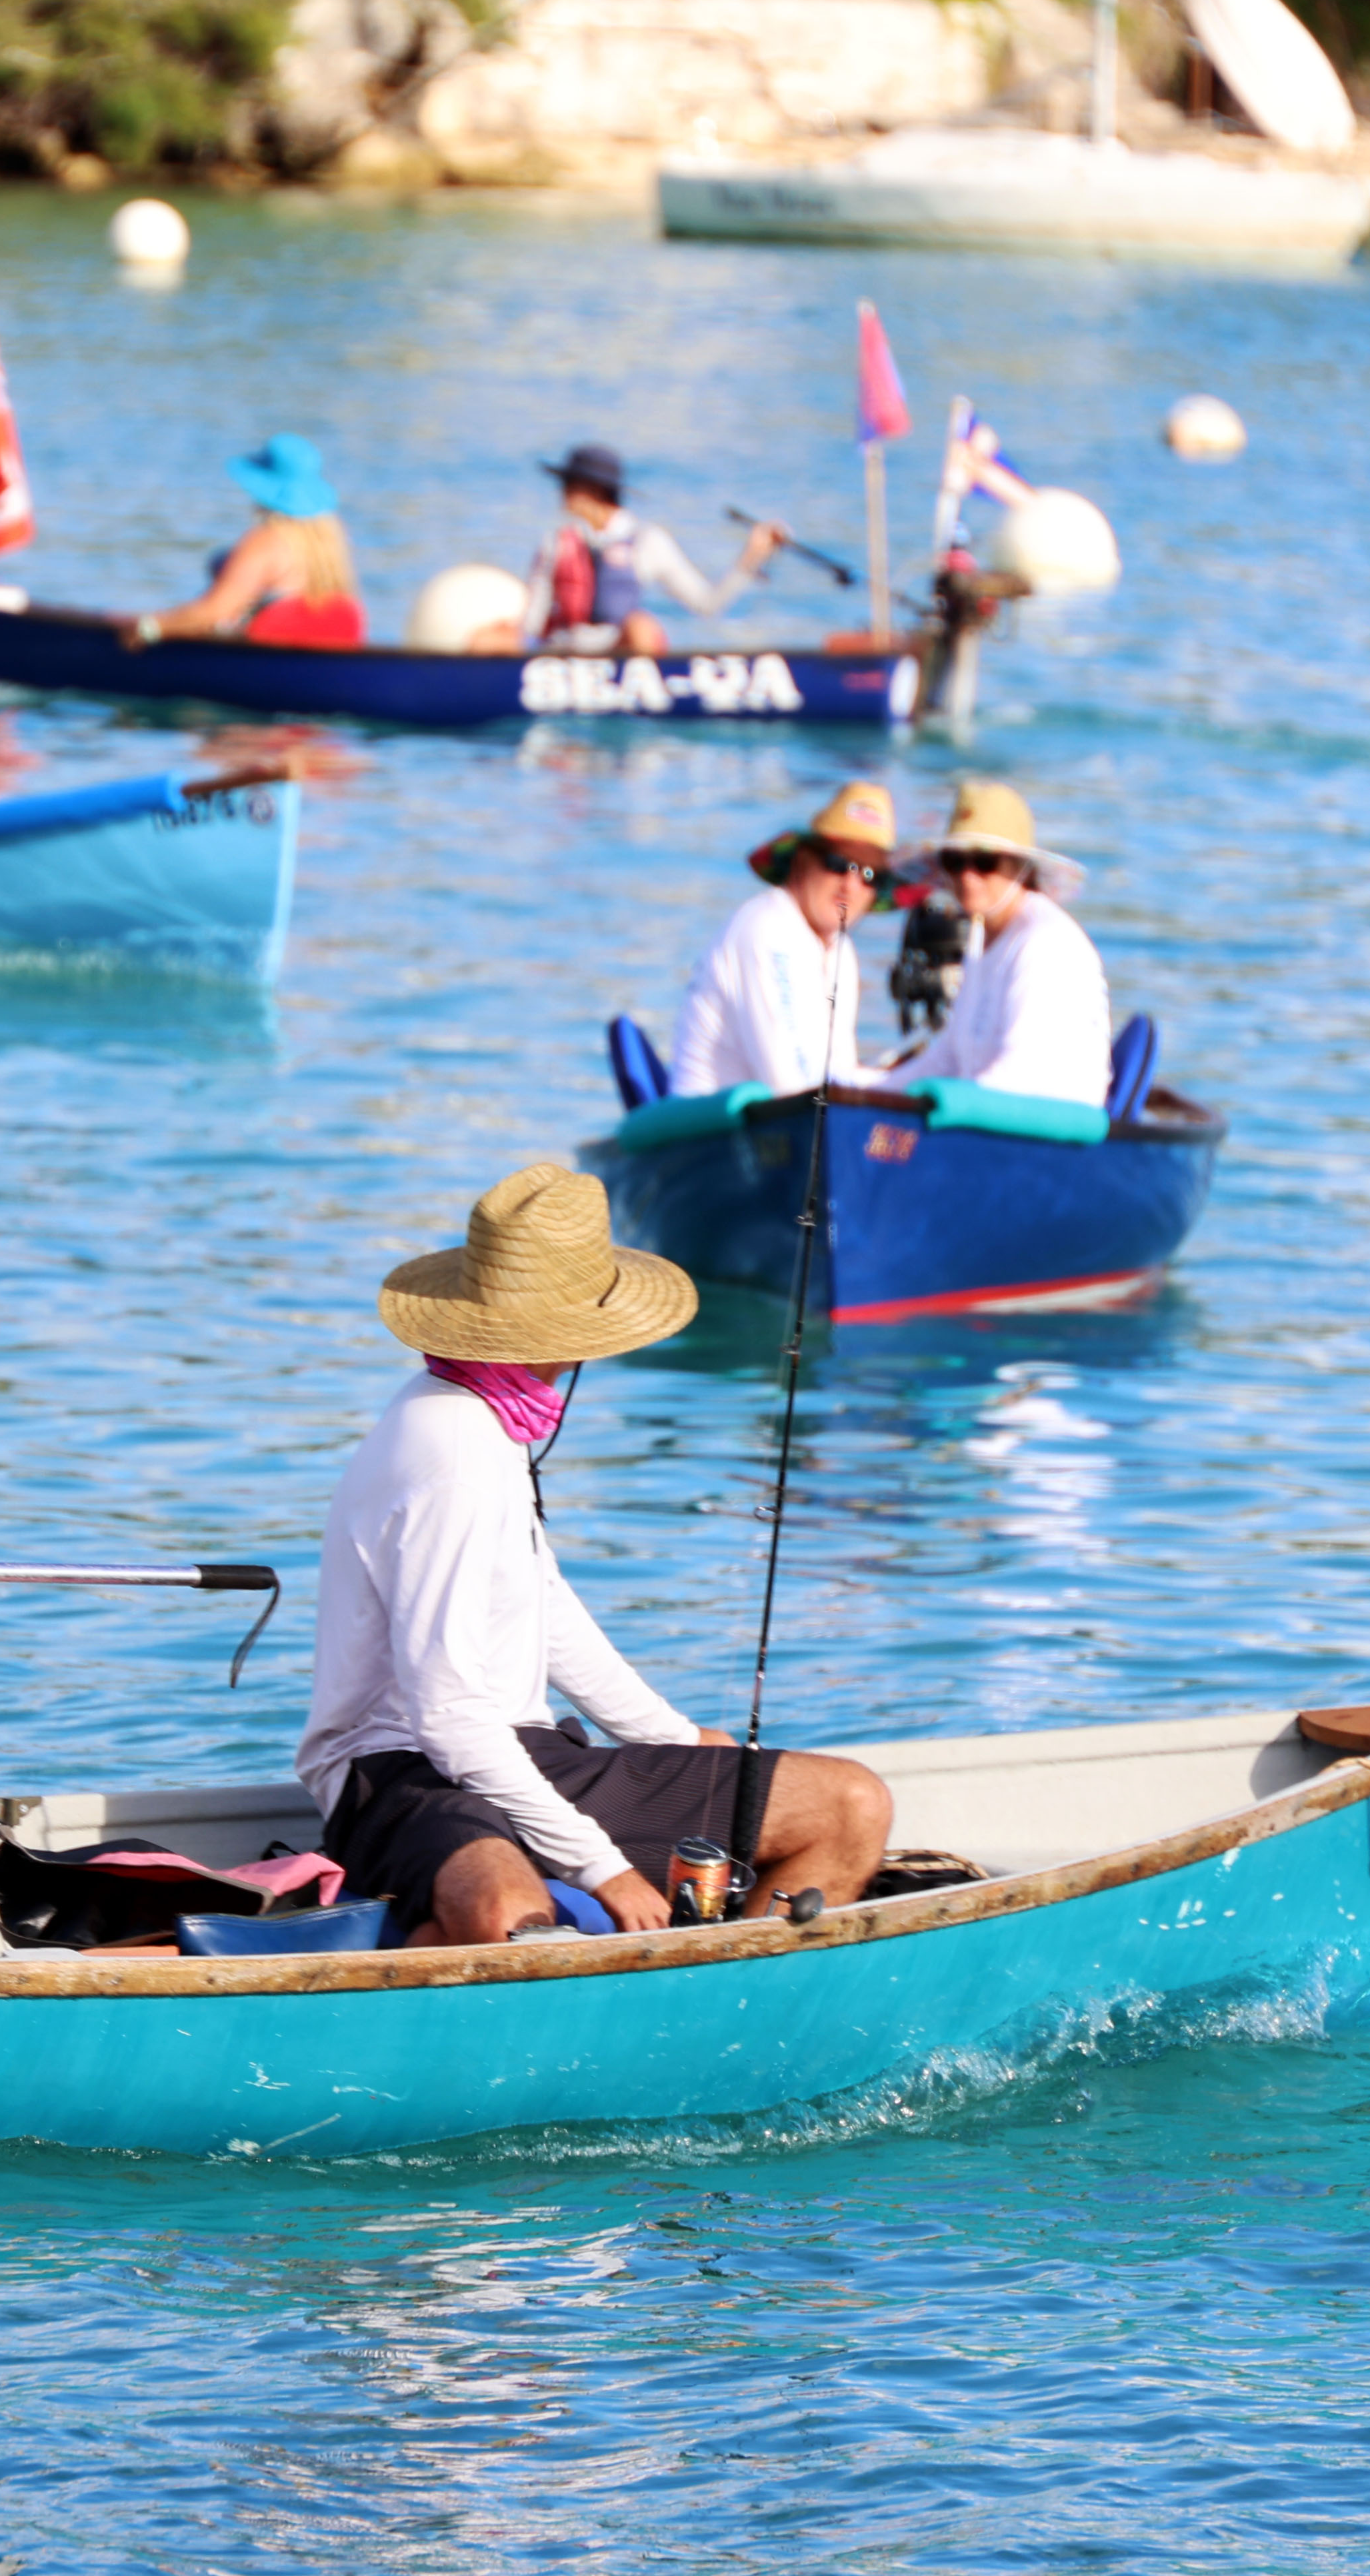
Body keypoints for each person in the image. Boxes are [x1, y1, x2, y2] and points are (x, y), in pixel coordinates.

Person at [297, 1164, 893, 1943]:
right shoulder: (453, 1451)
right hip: (396, 1767)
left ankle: (723, 1992)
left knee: (851, 1805)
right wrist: (600, 1867)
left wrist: (671, 1736)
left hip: (515, 1748)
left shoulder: (485, 1416)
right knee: (504, 1912)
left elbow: (546, 1612)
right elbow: (445, 1717)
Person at [885, 781, 1111, 1106]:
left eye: (985, 861)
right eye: (954, 861)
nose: (967, 876)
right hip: (992, 1111)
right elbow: (947, 1059)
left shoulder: (1043, 942)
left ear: (1021, 867)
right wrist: (859, 1088)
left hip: (1045, 1123)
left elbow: (1018, 1076)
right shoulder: (980, 935)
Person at [668, 782, 898, 1099]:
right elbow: (792, 1086)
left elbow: (837, 1072)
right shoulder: (766, 927)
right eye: (838, 864)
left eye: (871, 876)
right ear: (802, 861)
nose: (851, 885)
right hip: (708, 1123)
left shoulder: (841, 951)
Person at [515, 443, 784, 656]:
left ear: (591, 491)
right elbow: (531, 624)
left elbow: (707, 604)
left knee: (642, 626)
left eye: (568, 485)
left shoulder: (648, 541)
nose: (561, 492)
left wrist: (752, 557)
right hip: (563, 653)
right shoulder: (556, 543)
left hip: (619, 652)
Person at [125, 435, 367, 648]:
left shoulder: (267, 540)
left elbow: (216, 610)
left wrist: (151, 627)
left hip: (269, 657)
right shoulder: (331, 537)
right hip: (333, 651)